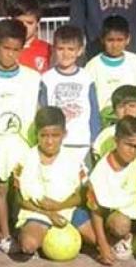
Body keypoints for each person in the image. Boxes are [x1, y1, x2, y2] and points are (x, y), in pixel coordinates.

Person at [0, 19, 41, 252]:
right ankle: (4, 235)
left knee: (24, 188)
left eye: (16, 50)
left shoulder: (32, 78)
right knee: (0, 188)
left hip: (23, 143)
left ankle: (25, 232)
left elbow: (38, 111)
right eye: (6, 48)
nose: (10, 54)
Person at [15, 107, 97, 258]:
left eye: (55, 135)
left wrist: (59, 206)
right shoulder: (26, 159)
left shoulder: (73, 159)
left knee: (97, 239)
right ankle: (32, 236)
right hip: (38, 212)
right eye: (44, 135)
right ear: (37, 134)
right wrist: (48, 213)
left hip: (68, 210)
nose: (50, 141)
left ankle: (74, 236)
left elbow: (81, 195)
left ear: (64, 134)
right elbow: (20, 198)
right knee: (28, 246)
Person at [86, 116, 136, 267]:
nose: (132, 151)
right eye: (128, 145)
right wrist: (103, 245)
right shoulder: (101, 171)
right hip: (119, 216)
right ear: (116, 141)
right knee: (120, 224)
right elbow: (95, 210)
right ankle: (125, 238)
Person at [39, 25, 99, 166]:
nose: (65, 54)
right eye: (61, 49)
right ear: (54, 49)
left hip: (82, 143)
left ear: (80, 51)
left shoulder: (87, 77)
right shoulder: (47, 78)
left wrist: (95, 139)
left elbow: (94, 111)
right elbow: (44, 111)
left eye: (71, 49)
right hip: (57, 144)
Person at [83, 15, 136, 125]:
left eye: (120, 40)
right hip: (105, 125)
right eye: (110, 40)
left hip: (134, 124)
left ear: (128, 39)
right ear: (102, 39)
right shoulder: (92, 66)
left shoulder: (135, 62)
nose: (115, 45)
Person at [91, 85, 136, 161]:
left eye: (132, 106)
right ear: (114, 110)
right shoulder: (105, 136)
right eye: (121, 107)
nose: (127, 111)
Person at [7, 0, 51, 73]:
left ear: (37, 23)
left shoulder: (48, 50)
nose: (24, 27)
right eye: (19, 22)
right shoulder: (6, 49)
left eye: (29, 23)